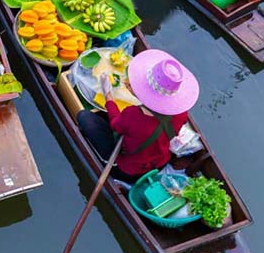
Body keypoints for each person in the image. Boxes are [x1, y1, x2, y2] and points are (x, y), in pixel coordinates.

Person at [77, 50, 198, 183]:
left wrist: (108, 96)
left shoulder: (133, 115)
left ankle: (108, 162)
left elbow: (115, 125)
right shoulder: (181, 112)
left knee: (84, 117)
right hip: (159, 162)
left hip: (128, 170)